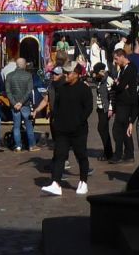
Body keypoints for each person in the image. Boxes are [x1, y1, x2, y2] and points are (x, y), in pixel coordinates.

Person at [41, 63, 93, 196]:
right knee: (59, 156)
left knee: (81, 156)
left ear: (76, 74)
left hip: (78, 130)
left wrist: (79, 121)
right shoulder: (61, 88)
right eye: (65, 73)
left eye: (68, 73)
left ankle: (83, 182)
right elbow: (56, 105)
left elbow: (88, 108)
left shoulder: (84, 89)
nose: (66, 75)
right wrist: (56, 121)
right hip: (62, 130)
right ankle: (56, 183)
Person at [109, 48, 139, 162]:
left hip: (126, 103)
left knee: (117, 129)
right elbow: (120, 85)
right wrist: (118, 84)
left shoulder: (130, 68)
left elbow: (120, 86)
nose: (115, 61)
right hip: (122, 103)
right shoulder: (122, 69)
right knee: (124, 129)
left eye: (116, 59)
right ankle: (129, 153)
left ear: (122, 56)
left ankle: (118, 154)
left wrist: (117, 85)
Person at [6, 57, 37, 153]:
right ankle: (32, 145)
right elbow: (29, 91)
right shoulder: (28, 76)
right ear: (24, 65)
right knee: (29, 126)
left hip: (14, 105)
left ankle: (18, 146)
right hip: (25, 104)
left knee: (16, 126)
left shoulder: (9, 75)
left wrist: (15, 103)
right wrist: (21, 102)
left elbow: (8, 91)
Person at [91, 62, 114, 161]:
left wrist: (110, 108)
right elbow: (93, 79)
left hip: (106, 108)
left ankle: (108, 152)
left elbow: (112, 96)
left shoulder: (108, 80)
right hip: (100, 108)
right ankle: (107, 151)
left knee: (102, 128)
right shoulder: (99, 80)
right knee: (103, 130)